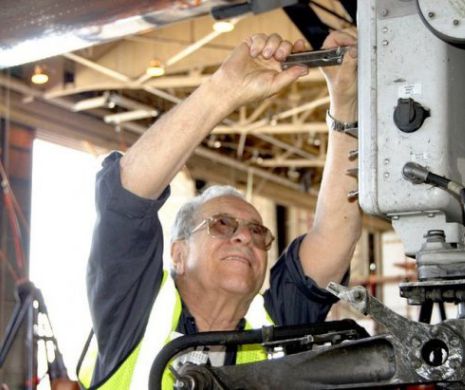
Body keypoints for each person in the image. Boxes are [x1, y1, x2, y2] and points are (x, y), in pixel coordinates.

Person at [77, 30, 360, 389]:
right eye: (222, 224)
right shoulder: (134, 310)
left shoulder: (274, 325)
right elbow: (126, 195)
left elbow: (333, 238)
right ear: (178, 253)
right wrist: (225, 89)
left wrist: (345, 101)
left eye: (258, 232)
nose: (245, 236)